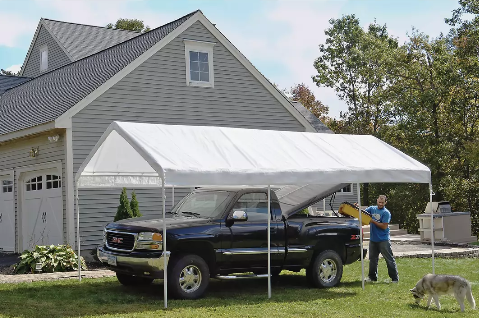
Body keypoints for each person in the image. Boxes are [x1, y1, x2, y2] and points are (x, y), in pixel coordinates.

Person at [363, 195, 399, 283]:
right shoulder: (372, 209)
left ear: (385, 203)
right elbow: (362, 213)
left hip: (383, 240)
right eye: (379, 202)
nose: (380, 204)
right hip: (373, 240)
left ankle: (394, 278)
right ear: (377, 201)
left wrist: (373, 221)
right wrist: (356, 208)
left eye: (382, 203)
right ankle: (372, 277)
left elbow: (384, 226)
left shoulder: (386, 213)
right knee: (372, 259)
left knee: (389, 259)